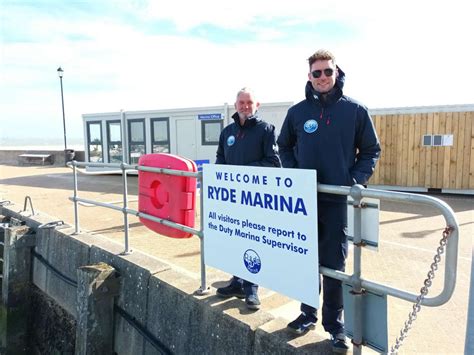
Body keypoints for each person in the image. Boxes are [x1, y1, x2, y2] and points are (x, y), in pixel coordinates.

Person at [277, 49, 381, 352]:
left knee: (334, 265)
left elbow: (371, 150)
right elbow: (284, 146)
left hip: (336, 203)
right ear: (309, 77)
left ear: (336, 73)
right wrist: (296, 176)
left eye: (327, 72)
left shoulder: (355, 110)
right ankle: (307, 314)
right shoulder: (297, 112)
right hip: (305, 202)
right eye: (316, 73)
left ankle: (334, 327)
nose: (322, 77)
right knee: (304, 260)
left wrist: (353, 181)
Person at [215, 87, 281, 310]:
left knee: (253, 241)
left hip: (255, 199)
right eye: (241, 103)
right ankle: (237, 282)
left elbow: (273, 163)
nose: (245, 106)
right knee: (235, 238)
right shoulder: (227, 132)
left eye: (249, 103)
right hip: (232, 198)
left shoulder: (266, 130)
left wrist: (242, 171)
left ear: (257, 105)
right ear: (235, 105)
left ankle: (252, 289)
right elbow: (220, 159)